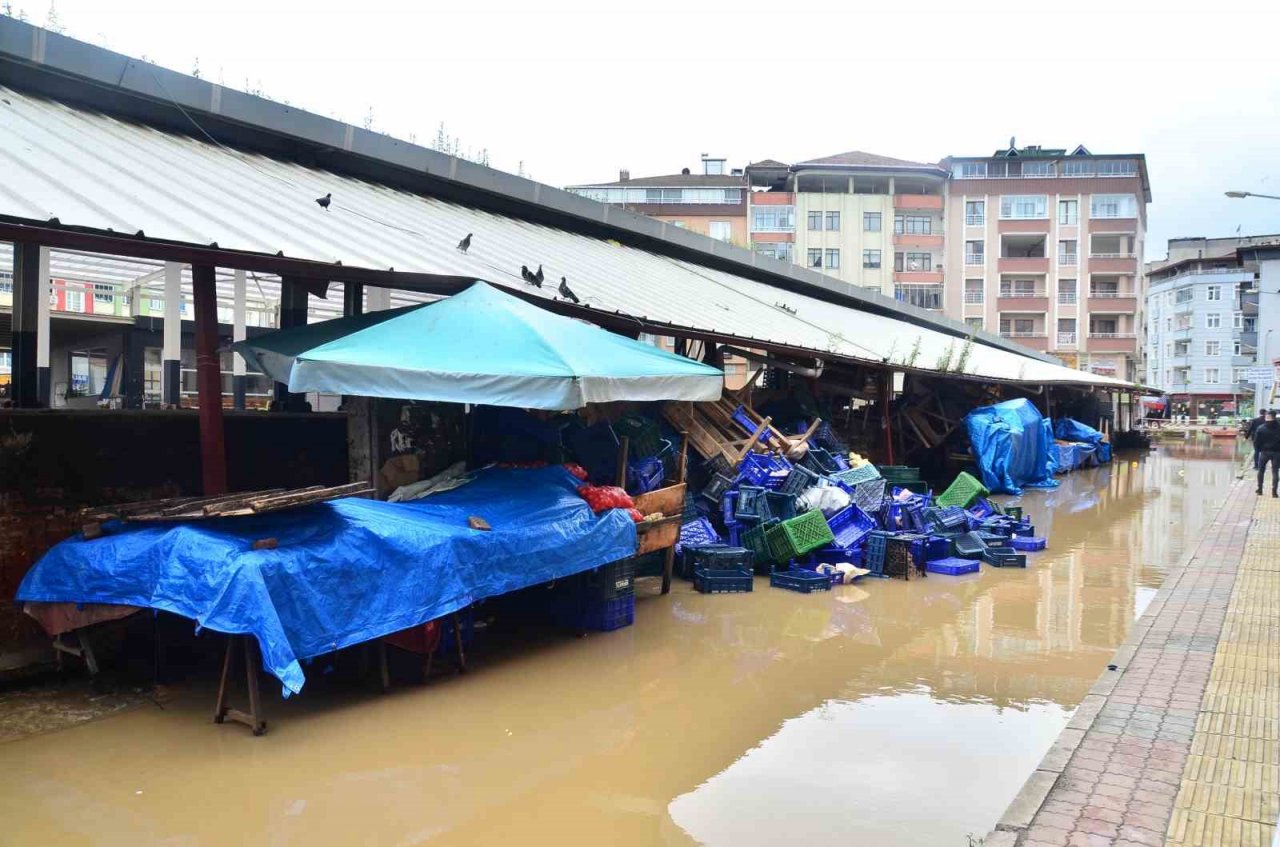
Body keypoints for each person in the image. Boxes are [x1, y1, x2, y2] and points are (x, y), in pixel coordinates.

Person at [1252, 409, 1280, 496]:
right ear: (1275, 417)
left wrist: (1259, 449)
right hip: (1277, 452)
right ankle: (1274, 492)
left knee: (1261, 470)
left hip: (1264, 452)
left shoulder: (1261, 428)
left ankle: (1260, 489)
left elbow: (1256, 442)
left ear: (1267, 417)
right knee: (1275, 472)